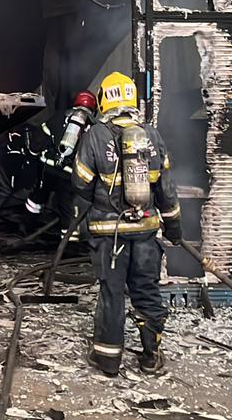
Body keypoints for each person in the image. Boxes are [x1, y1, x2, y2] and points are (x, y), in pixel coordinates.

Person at [72, 72, 181, 377]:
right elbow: (166, 189)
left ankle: (108, 360)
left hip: (109, 236)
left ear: (105, 99)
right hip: (146, 232)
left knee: (112, 293)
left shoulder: (95, 135)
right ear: (132, 98)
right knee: (146, 291)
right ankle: (150, 356)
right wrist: (174, 227)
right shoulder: (151, 136)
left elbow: (79, 182)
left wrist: (99, 197)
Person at [25, 92, 97, 240]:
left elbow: (39, 140)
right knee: (66, 208)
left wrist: (32, 154)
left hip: (48, 169)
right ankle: (69, 243)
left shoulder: (59, 118)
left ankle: (28, 228)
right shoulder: (93, 130)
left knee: (37, 197)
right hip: (68, 176)